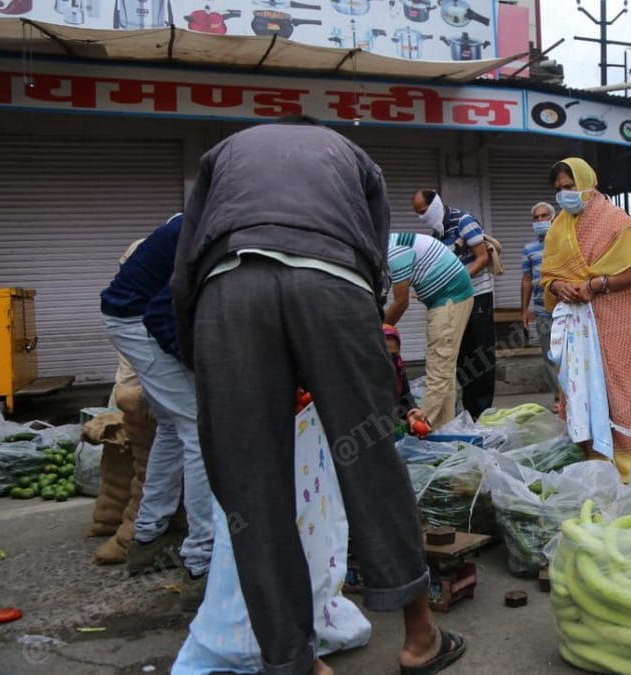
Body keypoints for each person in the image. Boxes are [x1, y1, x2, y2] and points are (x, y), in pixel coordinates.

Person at [172, 117, 464, 675]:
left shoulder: (223, 154)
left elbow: (186, 265)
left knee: (251, 489)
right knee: (372, 459)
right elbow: (376, 260)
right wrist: (350, 350)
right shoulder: (354, 156)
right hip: (333, 282)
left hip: (228, 289)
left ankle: (296, 663)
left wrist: (207, 366)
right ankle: (420, 636)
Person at [100, 213, 212, 612]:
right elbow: (162, 313)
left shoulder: (204, 216)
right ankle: (201, 560)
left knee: (171, 423)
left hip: (133, 312)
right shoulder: (209, 231)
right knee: (198, 426)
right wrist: (198, 367)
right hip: (135, 318)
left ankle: (147, 537)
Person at [541, 157, 631, 479]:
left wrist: (594, 284)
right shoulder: (558, 227)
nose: (564, 194)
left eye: (570, 186)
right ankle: (594, 468)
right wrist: (560, 285)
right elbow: (549, 275)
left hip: (618, 320)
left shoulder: (618, 221)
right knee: (582, 390)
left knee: (623, 391)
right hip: (577, 324)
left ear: (589, 182)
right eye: (559, 189)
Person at [413, 188, 496, 419]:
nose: (422, 216)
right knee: (458, 355)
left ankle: (481, 413)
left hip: (478, 294)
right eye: (418, 213)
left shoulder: (463, 221)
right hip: (455, 300)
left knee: (479, 353)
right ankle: (466, 412)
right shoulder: (436, 235)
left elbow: (482, 257)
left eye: (424, 210)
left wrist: (457, 281)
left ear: (435, 204)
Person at [385, 231, 475, 428]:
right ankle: (444, 429)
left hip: (450, 299)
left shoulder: (393, 253)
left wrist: (379, 331)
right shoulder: (387, 243)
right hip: (445, 300)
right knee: (446, 370)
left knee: (439, 363)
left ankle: (422, 423)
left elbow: (401, 303)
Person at [521, 202, 561, 399]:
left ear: (553, 217)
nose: (540, 220)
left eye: (544, 216)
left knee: (569, 354)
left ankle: (573, 397)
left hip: (565, 309)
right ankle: (558, 397)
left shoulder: (564, 242)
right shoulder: (529, 249)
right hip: (542, 310)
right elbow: (527, 279)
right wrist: (524, 310)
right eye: (536, 217)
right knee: (549, 355)